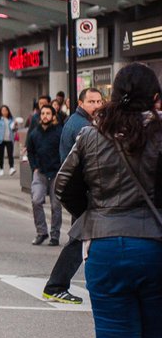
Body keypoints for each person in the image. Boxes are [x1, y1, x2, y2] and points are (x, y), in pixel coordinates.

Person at [54, 64, 162, 338]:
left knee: (114, 337)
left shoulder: (90, 134)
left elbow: (63, 185)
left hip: (102, 246)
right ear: (155, 98)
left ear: (113, 96)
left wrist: (93, 215)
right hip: (153, 246)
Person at [40, 88, 104, 305]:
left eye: (99, 101)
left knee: (86, 240)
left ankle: (61, 286)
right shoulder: (82, 126)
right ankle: (56, 286)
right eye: (91, 102)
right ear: (80, 103)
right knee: (79, 241)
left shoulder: (80, 122)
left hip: (80, 191)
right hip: (84, 192)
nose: (97, 105)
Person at [26, 102, 63, 246]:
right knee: (36, 201)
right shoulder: (35, 133)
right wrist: (34, 167)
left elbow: (64, 151)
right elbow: (30, 151)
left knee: (56, 206)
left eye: (48, 113)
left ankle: (55, 235)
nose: (45, 116)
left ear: (53, 116)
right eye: (42, 113)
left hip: (56, 172)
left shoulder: (59, 132)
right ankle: (41, 232)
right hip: (40, 172)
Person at [0, 105, 16, 176]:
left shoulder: (11, 119)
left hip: (9, 139)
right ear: (0, 111)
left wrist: (15, 125)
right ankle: (1, 169)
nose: (4, 112)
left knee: (10, 154)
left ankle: (11, 168)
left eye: (6, 110)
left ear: (8, 111)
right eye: (3, 110)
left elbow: (14, 129)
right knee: (1, 155)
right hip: (1, 140)